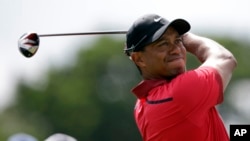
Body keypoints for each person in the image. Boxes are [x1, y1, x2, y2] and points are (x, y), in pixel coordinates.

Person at [124, 14, 237, 141]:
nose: (176, 50)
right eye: (163, 44)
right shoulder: (179, 93)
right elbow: (225, 58)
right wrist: (190, 38)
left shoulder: (141, 104)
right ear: (139, 59)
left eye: (178, 41)